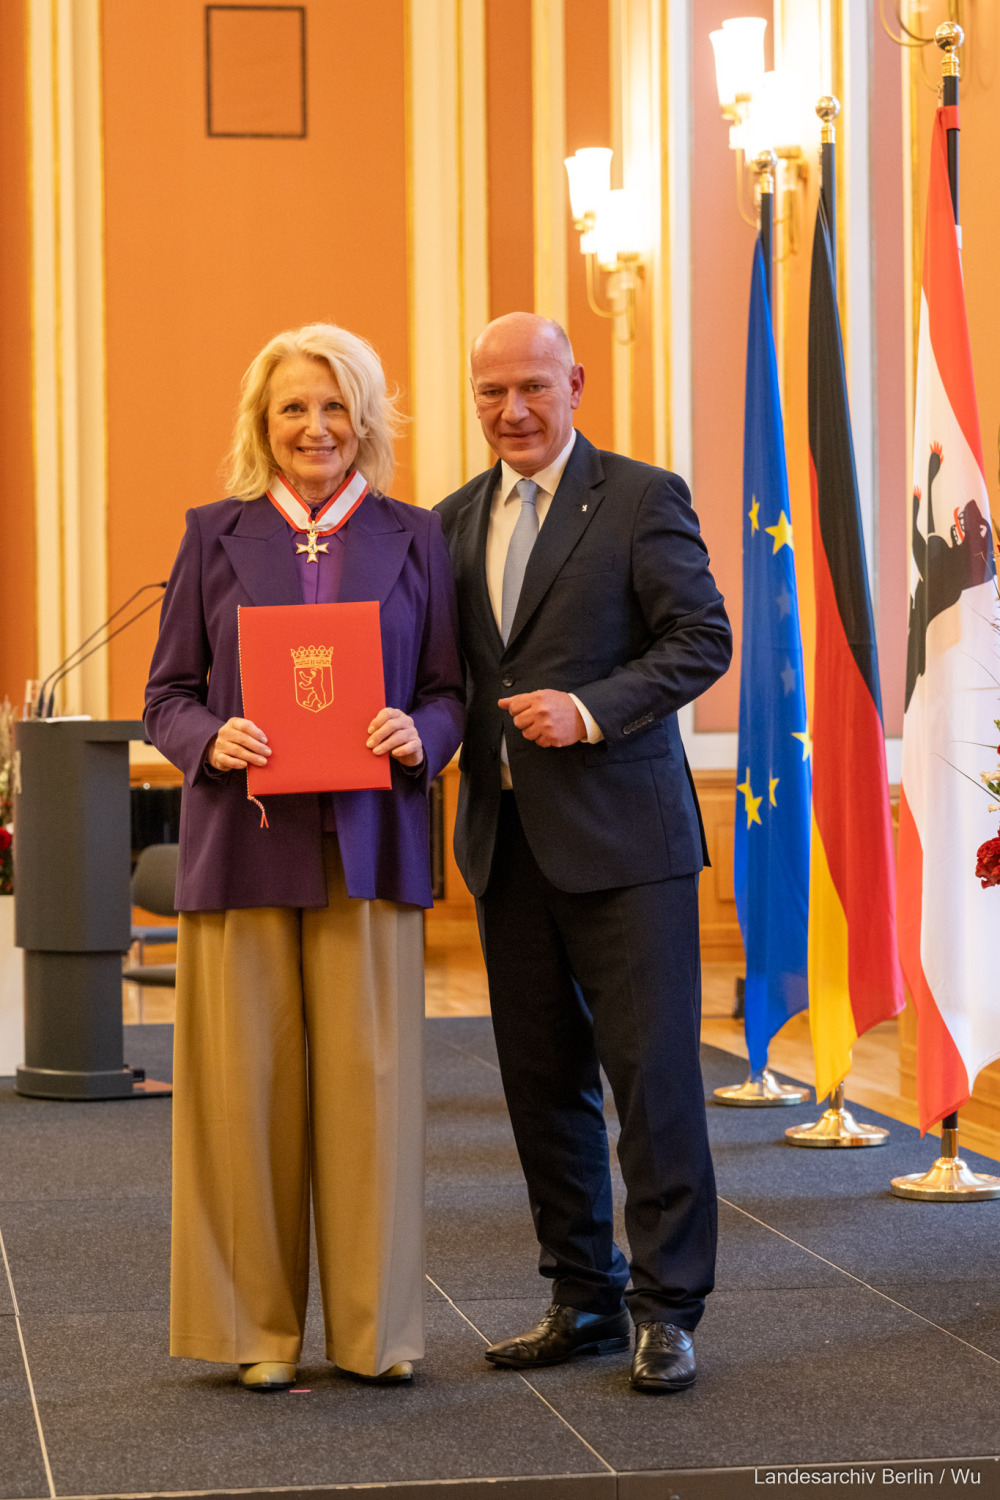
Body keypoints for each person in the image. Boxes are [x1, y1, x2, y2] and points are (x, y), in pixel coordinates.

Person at [145, 322, 464, 1392]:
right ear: (263, 422)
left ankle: (377, 1335)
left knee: (371, 1090)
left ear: (365, 418)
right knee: (246, 1090)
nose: (315, 427)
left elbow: (448, 690)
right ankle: (258, 1332)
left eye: (335, 406)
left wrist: (423, 734)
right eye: (293, 407)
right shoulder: (212, 534)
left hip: (369, 848)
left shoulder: (418, 537)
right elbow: (167, 696)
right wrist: (208, 741)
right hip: (244, 844)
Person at [436, 312, 732, 1394]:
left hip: (628, 844)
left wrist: (592, 709)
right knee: (541, 1086)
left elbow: (700, 638)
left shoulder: (642, 497)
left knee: (652, 1086)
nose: (510, 410)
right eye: (489, 394)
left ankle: (669, 1310)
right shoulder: (450, 520)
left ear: (575, 384)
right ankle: (581, 1296)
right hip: (504, 847)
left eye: (530, 387)